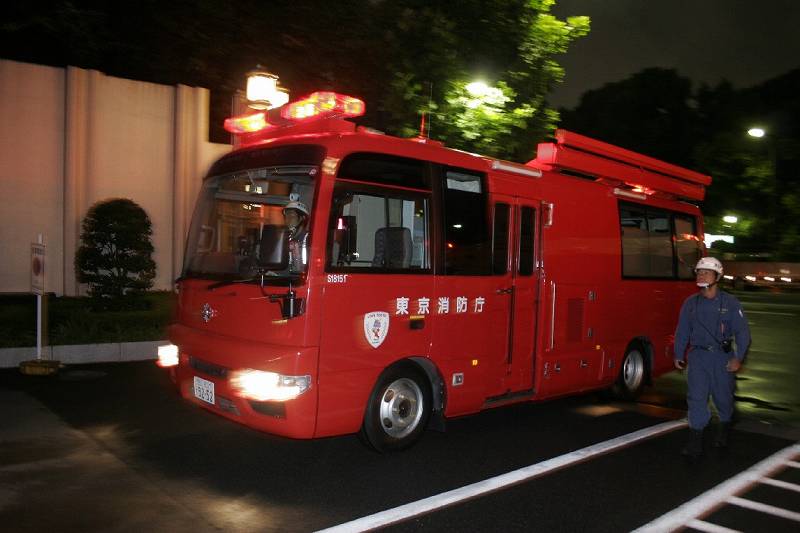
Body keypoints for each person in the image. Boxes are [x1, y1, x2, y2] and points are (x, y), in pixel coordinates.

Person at [674, 257, 751, 460]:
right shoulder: (690, 303)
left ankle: (724, 425)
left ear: (717, 277)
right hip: (698, 357)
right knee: (696, 398)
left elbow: (742, 333)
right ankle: (695, 442)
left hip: (722, 358)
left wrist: (738, 358)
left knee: (723, 398)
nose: (701, 275)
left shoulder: (731, 303)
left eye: (706, 272)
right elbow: (682, 330)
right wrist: (678, 354)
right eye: (699, 272)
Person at [283, 200, 309, 273]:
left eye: (292, 216)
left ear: (302, 218)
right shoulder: (285, 239)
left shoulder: (309, 239)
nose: (288, 220)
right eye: (286, 216)